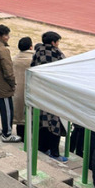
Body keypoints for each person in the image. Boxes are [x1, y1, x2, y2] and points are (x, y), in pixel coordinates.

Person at [31, 31, 67, 161]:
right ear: (53, 42)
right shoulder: (56, 53)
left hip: (40, 94)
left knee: (42, 123)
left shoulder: (37, 52)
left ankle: (42, 148)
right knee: (54, 125)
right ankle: (55, 153)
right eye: (57, 42)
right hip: (53, 95)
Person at [12, 36, 35, 137]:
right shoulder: (34, 60)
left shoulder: (14, 60)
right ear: (31, 47)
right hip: (31, 94)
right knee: (30, 120)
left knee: (19, 121)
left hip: (16, 93)